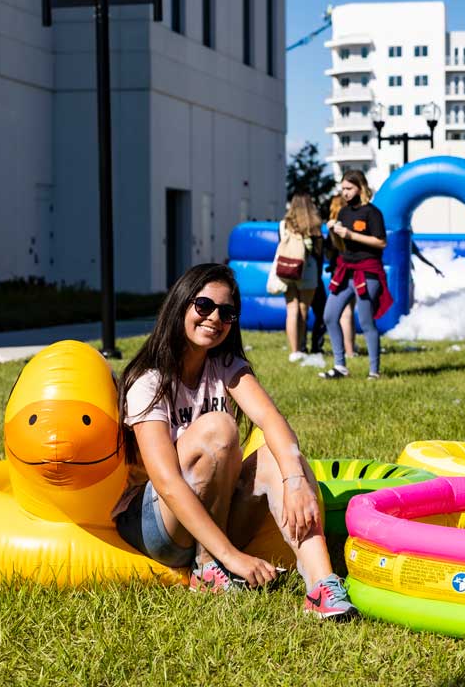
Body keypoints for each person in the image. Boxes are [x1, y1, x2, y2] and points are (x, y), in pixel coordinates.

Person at [113, 263, 356, 618]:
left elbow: (272, 421)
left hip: (214, 517)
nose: (215, 318)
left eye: (227, 312)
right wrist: (231, 556)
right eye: (204, 306)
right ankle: (208, 566)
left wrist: (295, 481)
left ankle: (322, 587)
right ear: (181, 304)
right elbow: (165, 481)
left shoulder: (225, 365)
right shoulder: (148, 379)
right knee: (220, 428)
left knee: (282, 453)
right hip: (158, 525)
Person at [319, 170, 392, 380]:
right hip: (345, 270)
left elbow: (381, 242)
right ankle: (340, 365)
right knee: (330, 316)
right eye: (342, 189)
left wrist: (351, 234)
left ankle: (374, 371)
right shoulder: (343, 213)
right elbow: (342, 244)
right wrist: (334, 232)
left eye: (349, 188)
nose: (345, 193)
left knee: (367, 321)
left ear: (361, 188)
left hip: (367, 271)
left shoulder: (372, 213)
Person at [280, 193, 324, 363]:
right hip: (308, 270)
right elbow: (319, 252)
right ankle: (302, 346)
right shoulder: (314, 225)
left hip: (288, 268)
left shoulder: (284, 224)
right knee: (303, 310)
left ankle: (294, 350)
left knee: (291, 309)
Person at [321, 195, 355, 359]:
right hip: (356, 270)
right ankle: (351, 347)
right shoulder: (352, 224)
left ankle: (348, 351)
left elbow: (328, 251)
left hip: (341, 272)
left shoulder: (334, 227)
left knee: (344, 313)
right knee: (350, 311)